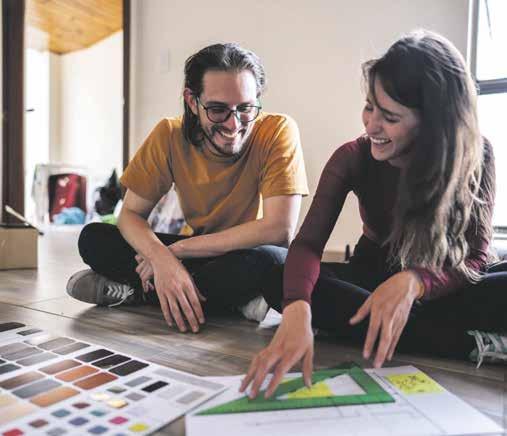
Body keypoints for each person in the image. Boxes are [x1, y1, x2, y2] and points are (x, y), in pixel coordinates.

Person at [241, 30, 507, 399]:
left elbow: (475, 258)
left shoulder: (479, 154)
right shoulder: (352, 156)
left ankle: (411, 331)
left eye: (390, 117)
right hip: (373, 279)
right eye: (370, 107)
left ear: (434, 123)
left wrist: (416, 282)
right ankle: (468, 343)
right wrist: (297, 309)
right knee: (277, 276)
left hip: (445, 283)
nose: (370, 125)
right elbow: (308, 244)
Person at [66, 43, 308, 333]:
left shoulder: (278, 130)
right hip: (202, 257)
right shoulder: (169, 135)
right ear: (192, 101)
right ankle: (230, 299)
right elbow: (130, 215)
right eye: (217, 110)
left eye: (245, 109)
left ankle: (142, 292)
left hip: (249, 253)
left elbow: (279, 229)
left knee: (269, 262)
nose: (234, 125)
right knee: (94, 238)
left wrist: (176, 252)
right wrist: (161, 258)